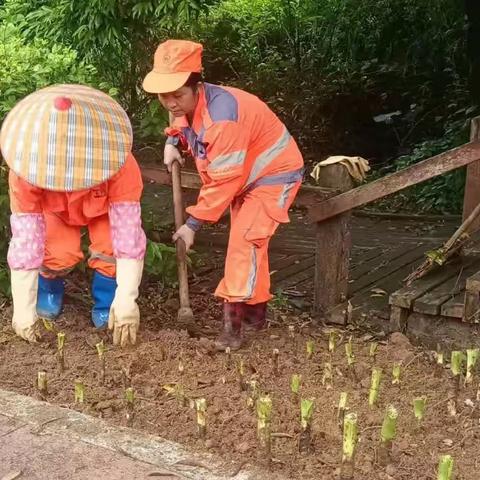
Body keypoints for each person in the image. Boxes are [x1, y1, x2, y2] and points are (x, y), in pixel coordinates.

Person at [143, 40, 304, 350]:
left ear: (197, 86)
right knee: (251, 246)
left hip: (272, 176)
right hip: (245, 178)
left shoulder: (223, 118)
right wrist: (172, 143)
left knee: (244, 246)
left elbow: (223, 181)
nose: (171, 103)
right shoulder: (192, 104)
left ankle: (232, 331)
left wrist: (192, 225)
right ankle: (255, 317)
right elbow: (182, 121)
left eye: (178, 95)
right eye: (164, 96)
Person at [0, 84, 146, 347]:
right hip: (55, 211)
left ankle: (107, 304)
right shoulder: (25, 170)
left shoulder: (121, 164)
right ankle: (46, 296)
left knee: (110, 251)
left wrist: (127, 299)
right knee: (56, 254)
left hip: (103, 210)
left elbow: (128, 237)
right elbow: (26, 240)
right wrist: (23, 307)